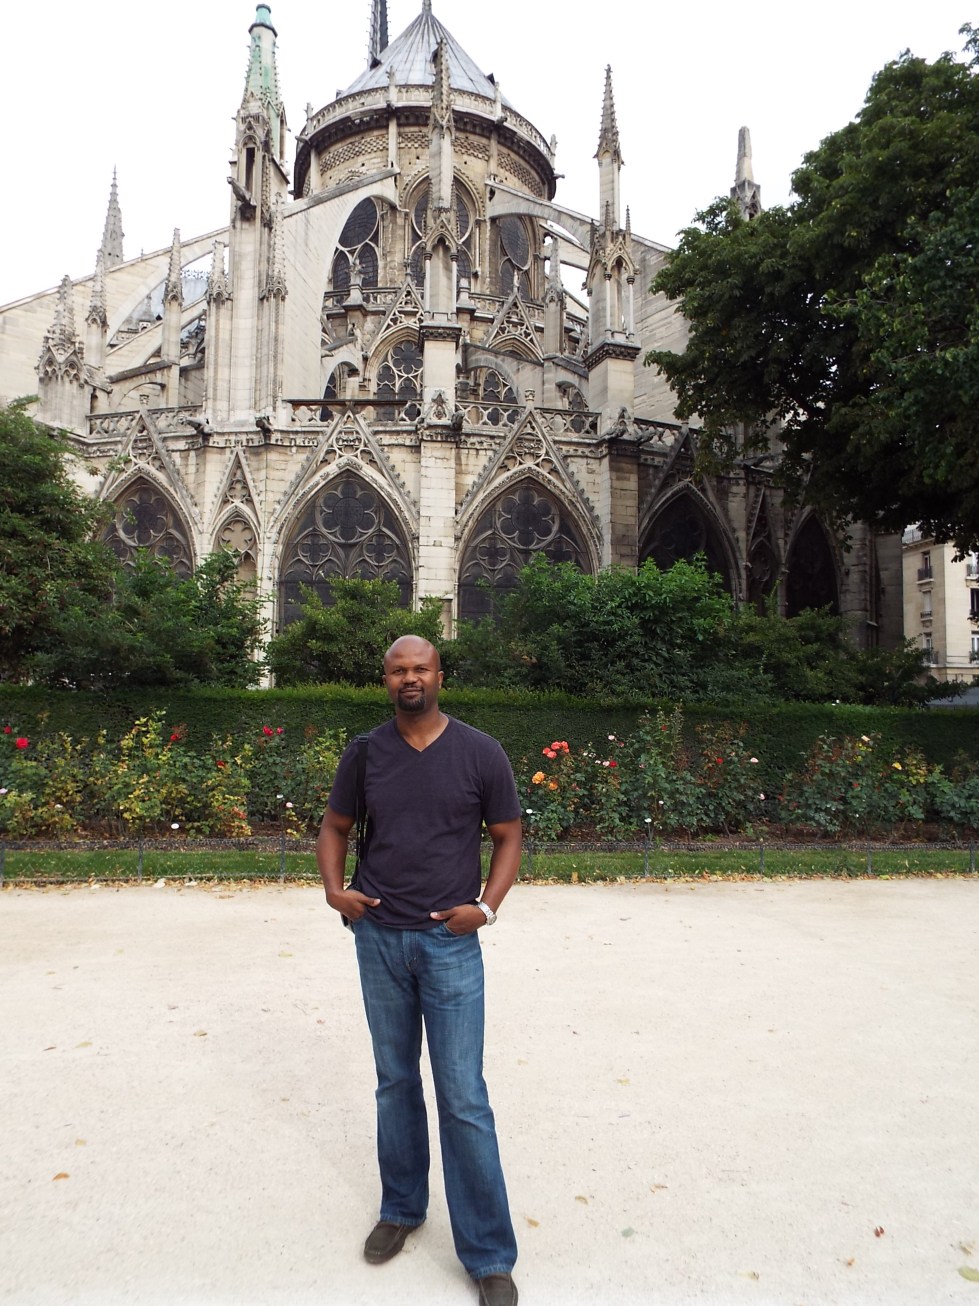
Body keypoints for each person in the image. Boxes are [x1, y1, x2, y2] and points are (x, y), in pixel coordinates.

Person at [317, 635, 523, 1306]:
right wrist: (333, 891)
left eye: (421, 668)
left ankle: (488, 1255)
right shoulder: (366, 753)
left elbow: (508, 835)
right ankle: (402, 1210)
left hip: (448, 944)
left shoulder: (479, 752)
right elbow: (334, 826)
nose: (411, 678)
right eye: (399, 670)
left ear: (440, 675)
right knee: (395, 1082)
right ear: (386, 679)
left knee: (463, 1096)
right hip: (379, 939)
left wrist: (485, 911)